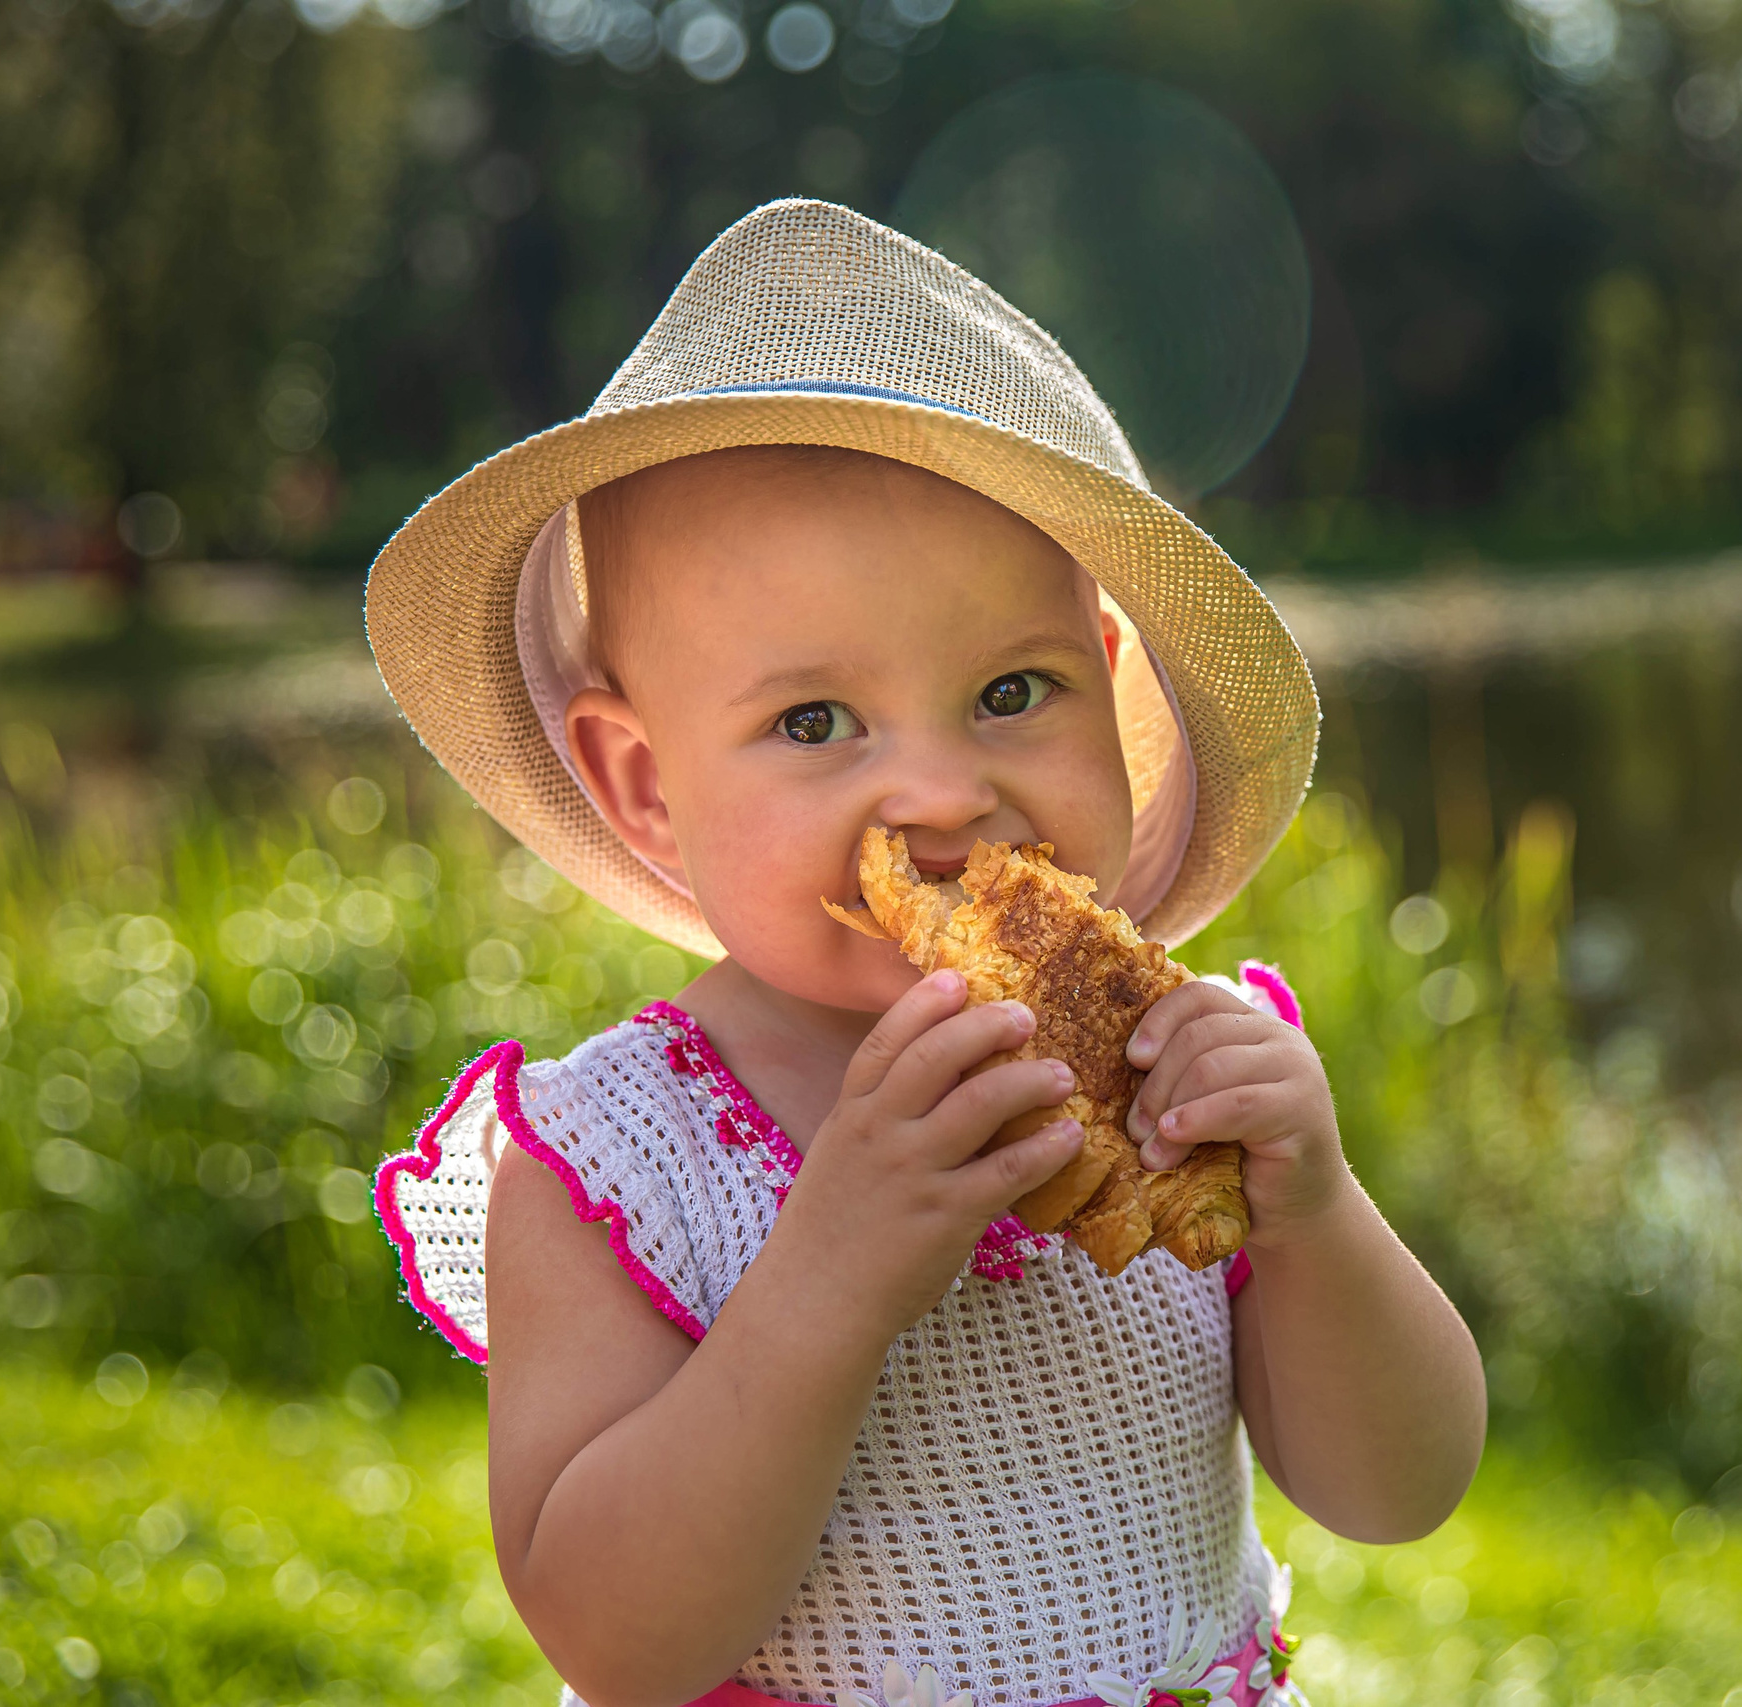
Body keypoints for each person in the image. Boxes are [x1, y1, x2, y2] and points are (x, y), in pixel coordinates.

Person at [370, 200, 1484, 1707]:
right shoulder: (610, 1166)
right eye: (815, 723)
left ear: (1108, 685)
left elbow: (1394, 1490)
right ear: (645, 786)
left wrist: (1317, 1215)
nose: (947, 793)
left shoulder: (1176, 1084)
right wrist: (827, 1277)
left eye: (1013, 689)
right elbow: (615, 1641)